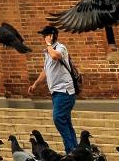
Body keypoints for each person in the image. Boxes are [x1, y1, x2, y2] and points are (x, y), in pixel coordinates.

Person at [28, 25, 79, 154]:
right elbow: (46, 71)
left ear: (51, 36)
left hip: (65, 91)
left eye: (45, 35)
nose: (43, 38)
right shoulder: (48, 52)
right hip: (56, 93)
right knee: (65, 121)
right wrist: (35, 84)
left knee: (58, 118)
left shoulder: (61, 48)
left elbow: (56, 56)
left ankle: (71, 150)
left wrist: (49, 44)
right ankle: (75, 150)